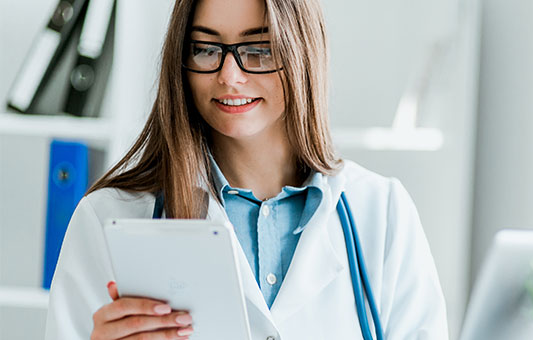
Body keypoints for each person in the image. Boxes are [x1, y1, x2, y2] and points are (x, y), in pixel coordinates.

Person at [44, 0, 448, 339]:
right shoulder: (108, 217)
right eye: (205, 49)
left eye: (259, 49)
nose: (229, 76)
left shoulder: (381, 210)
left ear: (301, 52)